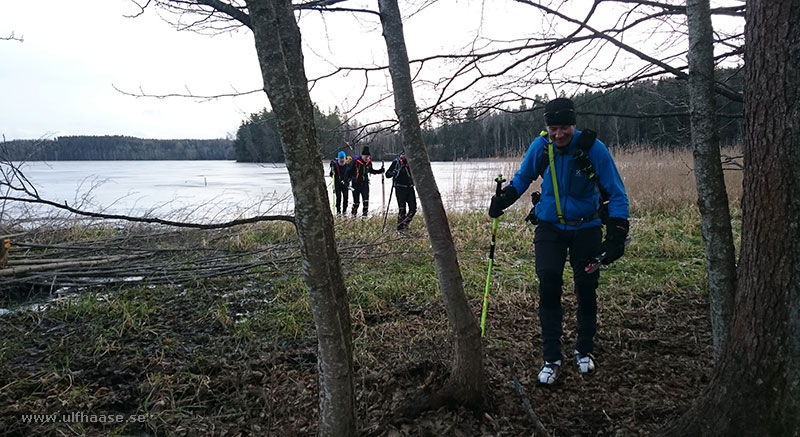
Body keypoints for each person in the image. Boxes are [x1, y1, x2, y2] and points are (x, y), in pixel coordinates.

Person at [488, 97, 629, 386]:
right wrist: (503, 200)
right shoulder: (541, 147)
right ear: (547, 128)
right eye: (553, 128)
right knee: (549, 281)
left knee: (586, 286)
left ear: (572, 124)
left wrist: (617, 230)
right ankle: (551, 357)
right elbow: (522, 178)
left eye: (564, 127)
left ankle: (584, 349)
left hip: (586, 226)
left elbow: (616, 192)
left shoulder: (592, 148)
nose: (559, 134)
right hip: (549, 226)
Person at [348, 146, 384, 217]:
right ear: (362, 156)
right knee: (356, 202)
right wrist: (346, 180)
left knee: (366, 202)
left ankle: (364, 217)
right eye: (365, 157)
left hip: (365, 184)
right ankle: (353, 216)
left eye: (368, 157)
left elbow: (371, 171)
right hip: (356, 184)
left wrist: (380, 171)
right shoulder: (356, 162)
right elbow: (348, 171)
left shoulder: (369, 163)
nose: (366, 158)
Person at [385, 150, 416, 231]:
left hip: (410, 188)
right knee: (402, 209)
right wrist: (393, 172)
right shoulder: (397, 162)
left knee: (413, 209)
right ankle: (400, 228)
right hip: (400, 188)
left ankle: (405, 224)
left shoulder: (412, 163)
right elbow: (387, 174)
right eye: (406, 155)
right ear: (402, 154)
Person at [329, 151, 350, 216]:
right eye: (341, 158)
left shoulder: (347, 165)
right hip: (337, 184)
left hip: (345, 184)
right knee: (338, 198)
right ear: (338, 158)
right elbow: (331, 174)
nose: (342, 159)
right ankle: (338, 212)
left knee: (346, 198)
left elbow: (350, 173)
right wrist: (332, 169)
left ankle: (344, 211)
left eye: (343, 158)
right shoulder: (335, 165)